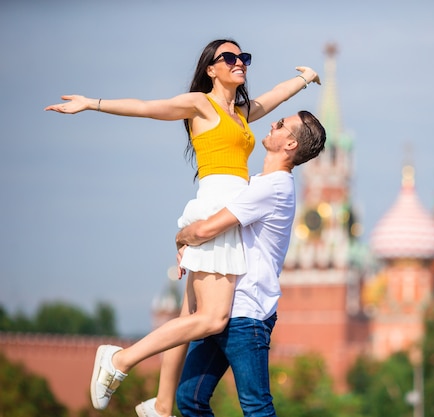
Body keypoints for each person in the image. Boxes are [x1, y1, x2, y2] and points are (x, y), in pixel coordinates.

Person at [44, 38, 320, 413]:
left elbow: (274, 96)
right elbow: (146, 108)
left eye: (244, 57)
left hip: (231, 213)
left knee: (189, 316)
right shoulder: (200, 104)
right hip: (217, 209)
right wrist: (92, 104)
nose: (239, 62)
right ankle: (118, 361)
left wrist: (305, 80)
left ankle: (160, 404)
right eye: (229, 57)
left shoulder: (240, 113)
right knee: (212, 317)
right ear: (211, 68)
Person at [172, 110, 325, 417]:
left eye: (280, 124)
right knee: (190, 398)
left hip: (247, 315)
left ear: (291, 143)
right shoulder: (259, 183)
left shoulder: (273, 187)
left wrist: (181, 238)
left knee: (256, 408)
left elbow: (205, 229)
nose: (272, 123)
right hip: (223, 307)